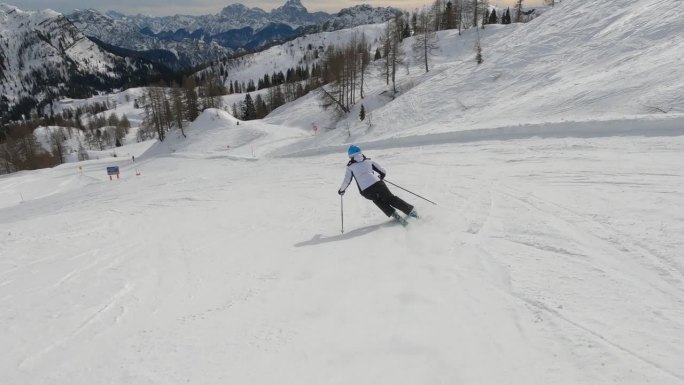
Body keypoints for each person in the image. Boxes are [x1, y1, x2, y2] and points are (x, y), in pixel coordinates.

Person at [338, 145, 418, 223]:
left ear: (350, 156)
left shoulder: (350, 166)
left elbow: (347, 180)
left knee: (377, 200)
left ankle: (393, 213)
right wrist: (381, 176)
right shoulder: (369, 161)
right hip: (378, 184)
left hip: (366, 190)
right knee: (390, 198)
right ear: (360, 152)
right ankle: (410, 211)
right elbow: (382, 171)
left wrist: (342, 190)